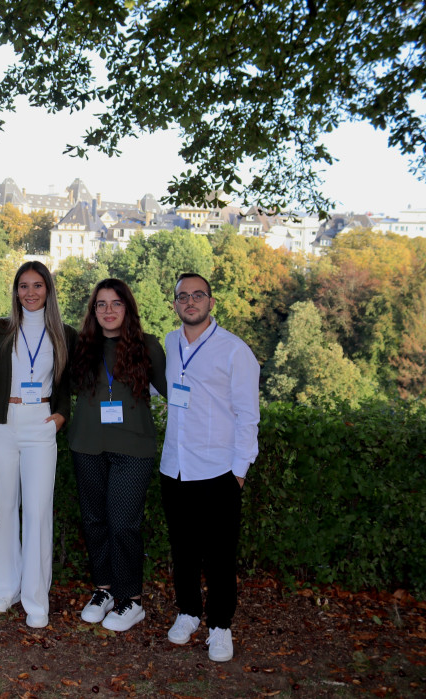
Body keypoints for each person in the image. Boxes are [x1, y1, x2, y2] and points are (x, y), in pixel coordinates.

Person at [160, 272, 260, 662]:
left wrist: (238, 471)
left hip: (218, 471)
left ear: (211, 302)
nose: (190, 302)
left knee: (219, 556)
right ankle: (188, 613)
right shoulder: (170, 342)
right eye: (183, 296)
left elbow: (248, 415)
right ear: (175, 304)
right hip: (176, 468)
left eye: (198, 295)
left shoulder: (235, 351)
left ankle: (220, 626)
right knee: (183, 550)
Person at [0, 261, 76, 629]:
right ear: (15, 290)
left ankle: (36, 599)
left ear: (48, 290)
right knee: (1, 508)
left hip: (41, 425)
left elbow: (66, 386)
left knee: (37, 512)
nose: (30, 292)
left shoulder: (65, 334)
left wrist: (60, 416)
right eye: (23, 285)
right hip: (1, 425)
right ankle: (3, 589)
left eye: (38, 285)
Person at [68, 279, 167, 632]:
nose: (108, 311)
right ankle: (105, 590)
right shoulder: (82, 346)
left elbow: (177, 394)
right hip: (87, 444)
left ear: (128, 308)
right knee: (94, 521)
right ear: (93, 311)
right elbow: (61, 388)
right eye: (101, 304)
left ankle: (131, 599)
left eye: (116, 304)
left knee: (124, 524)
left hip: (133, 448)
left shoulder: (148, 346)